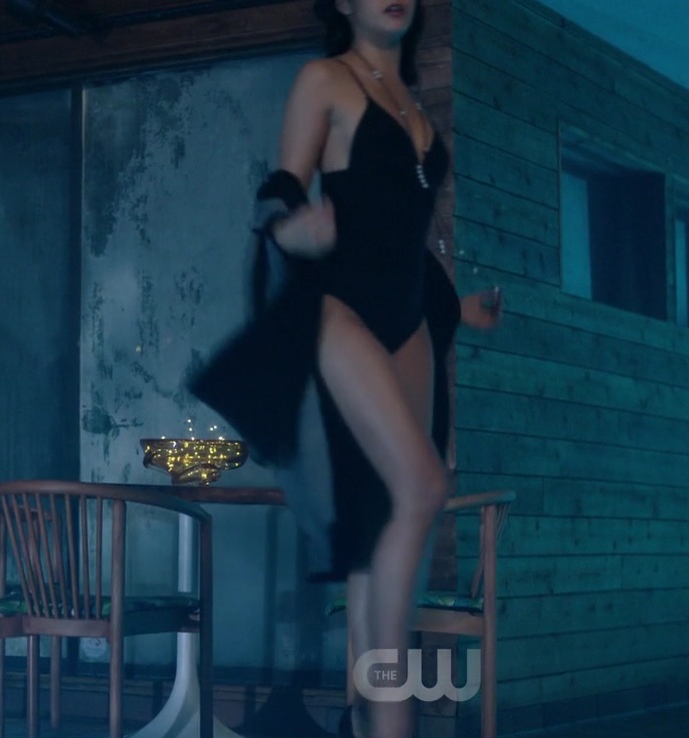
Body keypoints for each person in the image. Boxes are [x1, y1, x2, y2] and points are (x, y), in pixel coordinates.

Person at [192, 2, 502, 737]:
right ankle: (391, 710)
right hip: (340, 310)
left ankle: (369, 721)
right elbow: (280, 187)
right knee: (422, 485)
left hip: (409, 321)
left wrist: (461, 310)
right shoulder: (324, 80)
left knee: (379, 537)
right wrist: (289, 228)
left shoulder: (410, 100)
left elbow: (404, 238)